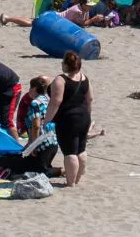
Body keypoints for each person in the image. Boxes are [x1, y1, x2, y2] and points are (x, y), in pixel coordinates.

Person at [43, 51, 93, 188]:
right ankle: (78, 179)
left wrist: (47, 120)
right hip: (84, 117)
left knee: (70, 151)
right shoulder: (84, 78)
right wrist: (89, 115)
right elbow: (90, 99)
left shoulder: (60, 80)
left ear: (66, 64)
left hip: (68, 119)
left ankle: (70, 183)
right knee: (81, 149)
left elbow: (55, 102)